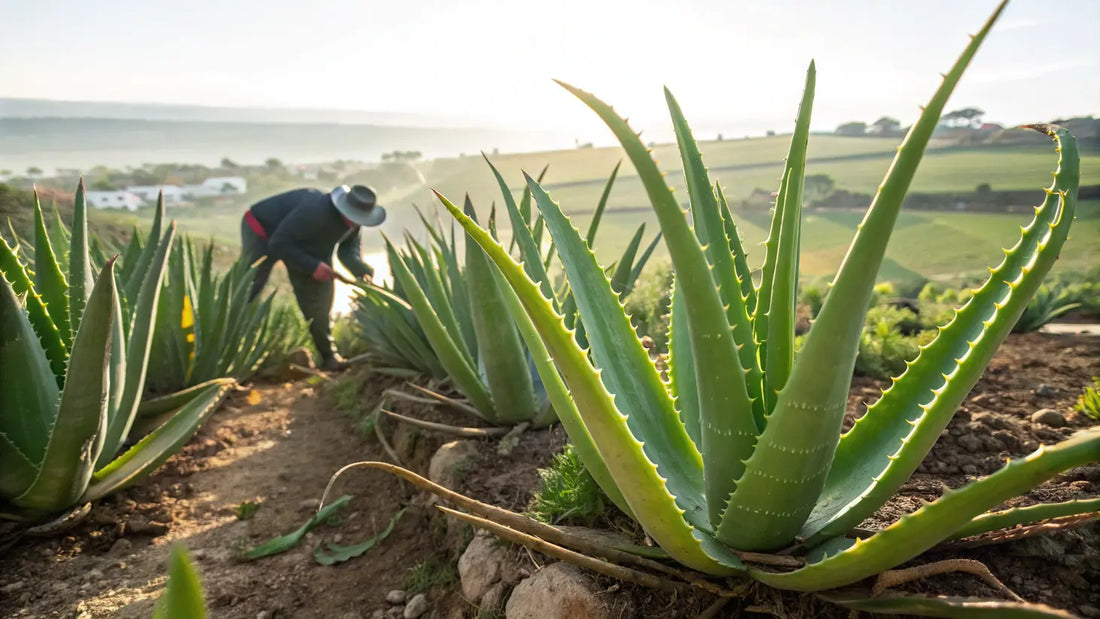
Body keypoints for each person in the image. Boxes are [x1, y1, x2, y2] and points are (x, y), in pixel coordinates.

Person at [240, 184, 386, 370]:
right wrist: (312, 265)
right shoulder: (314, 211)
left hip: (307, 244)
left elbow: (348, 251)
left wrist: (363, 273)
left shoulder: (355, 220)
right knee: (250, 288)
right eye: (354, 218)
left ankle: (329, 358)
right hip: (263, 231)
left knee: (320, 298)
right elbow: (279, 242)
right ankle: (234, 347)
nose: (355, 223)